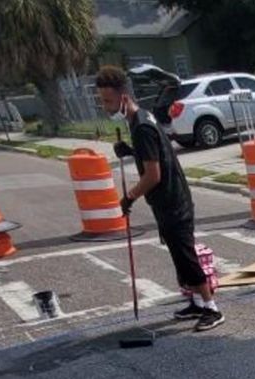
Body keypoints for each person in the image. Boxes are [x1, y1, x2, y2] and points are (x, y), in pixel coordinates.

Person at [95, 66, 225, 332]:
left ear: (123, 97)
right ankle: (198, 302)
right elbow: (154, 155)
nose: (105, 107)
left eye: (108, 101)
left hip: (172, 199)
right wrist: (130, 151)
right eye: (102, 101)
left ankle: (211, 307)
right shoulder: (142, 119)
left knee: (185, 255)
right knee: (179, 256)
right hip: (167, 200)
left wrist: (129, 197)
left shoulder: (141, 125)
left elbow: (153, 174)